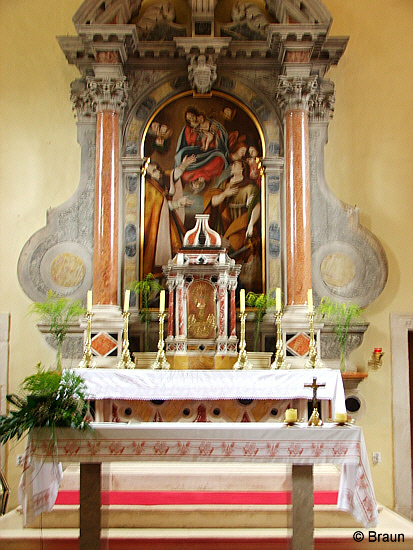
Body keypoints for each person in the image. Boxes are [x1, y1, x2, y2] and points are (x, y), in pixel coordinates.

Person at [143, 156, 194, 276]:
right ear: (149, 176)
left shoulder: (159, 183)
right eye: (154, 170)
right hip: (157, 229)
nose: (159, 171)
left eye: (158, 168)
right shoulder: (149, 188)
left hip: (167, 223)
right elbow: (160, 207)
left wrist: (182, 166)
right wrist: (179, 203)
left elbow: (173, 177)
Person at [204, 159, 260, 261]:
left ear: (242, 167)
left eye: (235, 165)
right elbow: (212, 202)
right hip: (223, 225)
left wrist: (251, 224)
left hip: (240, 227)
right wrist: (225, 194)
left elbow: (256, 206)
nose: (231, 167)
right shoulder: (225, 185)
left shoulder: (250, 187)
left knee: (235, 248)